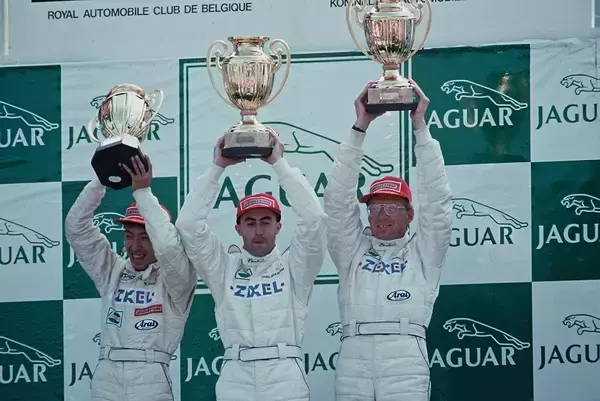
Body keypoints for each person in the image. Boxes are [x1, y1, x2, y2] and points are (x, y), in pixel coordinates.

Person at [324, 80, 453, 401]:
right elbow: (337, 201)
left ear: (410, 215)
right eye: (374, 207)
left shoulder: (424, 252)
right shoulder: (352, 251)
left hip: (405, 360)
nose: (381, 214)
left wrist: (420, 126)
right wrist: (360, 126)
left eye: (392, 208)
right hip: (353, 360)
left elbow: (437, 202)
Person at [175, 130, 326, 401]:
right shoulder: (223, 268)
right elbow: (188, 225)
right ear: (238, 228)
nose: (258, 231)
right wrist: (217, 167)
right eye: (250, 223)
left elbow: (314, 219)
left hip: (285, 376)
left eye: (266, 222)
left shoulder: (295, 267)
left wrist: (279, 164)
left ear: (278, 226)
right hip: (236, 377)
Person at [65, 155, 197, 401]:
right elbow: (76, 229)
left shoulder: (177, 280)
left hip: (150, 378)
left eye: (145, 237)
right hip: (106, 377)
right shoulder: (112, 270)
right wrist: (101, 178)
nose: (134, 246)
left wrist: (143, 193)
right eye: (128, 236)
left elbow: (169, 247)